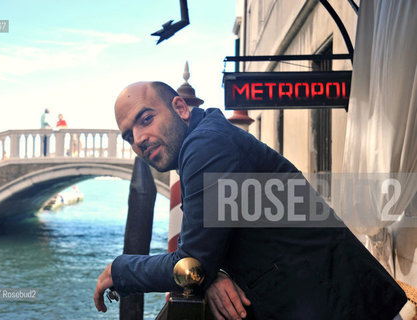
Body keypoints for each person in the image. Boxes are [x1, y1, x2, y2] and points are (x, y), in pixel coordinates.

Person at [94, 82, 407, 320]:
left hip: (339, 306)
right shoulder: (208, 138)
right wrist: (212, 274)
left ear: (180, 108)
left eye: (145, 119)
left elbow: (190, 265)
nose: (137, 139)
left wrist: (118, 270)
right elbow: (209, 250)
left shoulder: (206, 147)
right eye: (127, 135)